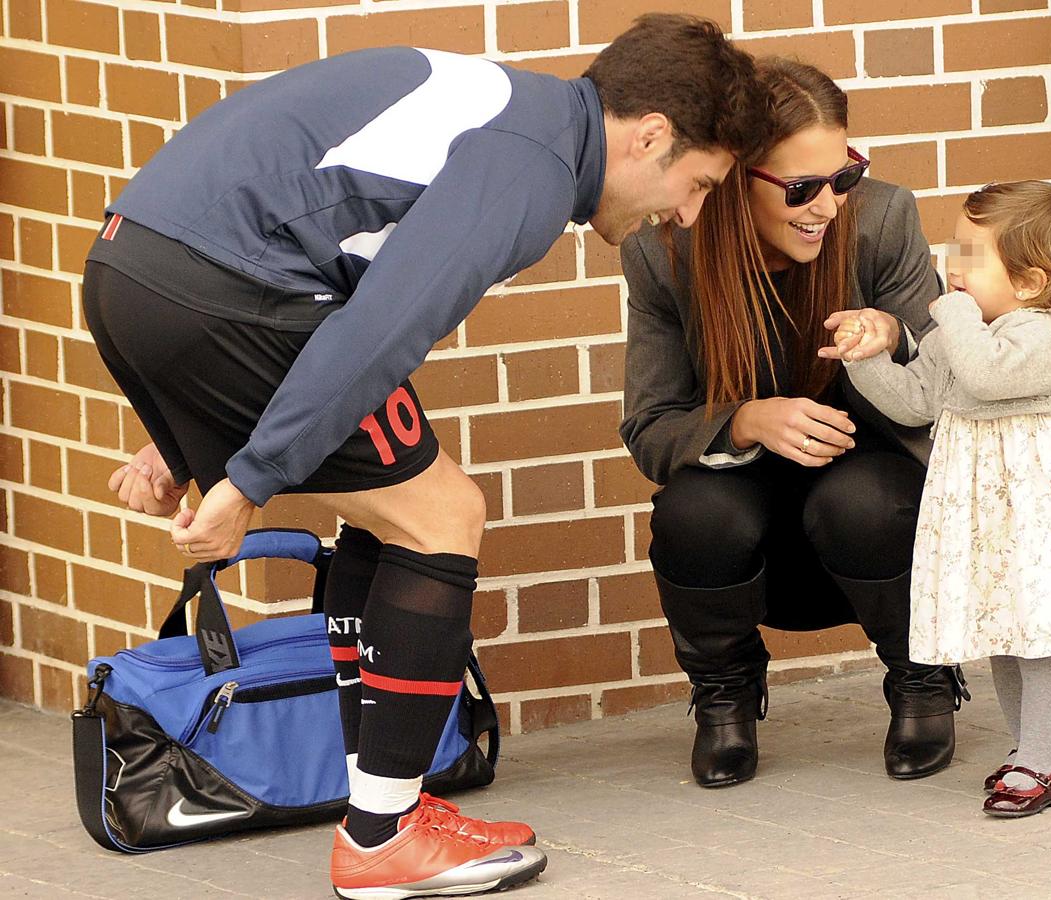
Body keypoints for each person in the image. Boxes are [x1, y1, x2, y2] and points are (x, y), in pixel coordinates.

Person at [87, 15, 772, 898]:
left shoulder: (516, 113)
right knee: (442, 512)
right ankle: (382, 837)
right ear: (649, 136)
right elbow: (383, 327)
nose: (684, 213)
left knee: (381, 506)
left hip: (131, 267)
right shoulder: (527, 163)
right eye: (697, 183)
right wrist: (249, 477)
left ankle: (377, 800)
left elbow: (335, 277)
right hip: (229, 292)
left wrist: (189, 430)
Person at [619, 58, 968, 790]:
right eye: (801, 189)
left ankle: (922, 676)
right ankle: (724, 701)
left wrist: (893, 339)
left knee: (860, 499)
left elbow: (941, 395)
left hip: (869, 488)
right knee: (691, 512)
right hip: (744, 499)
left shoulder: (882, 219)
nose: (828, 207)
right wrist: (744, 420)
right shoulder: (663, 255)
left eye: (841, 177)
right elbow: (650, 428)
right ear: (732, 177)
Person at [840, 180, 1051, 817]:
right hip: (988, 515)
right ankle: (1029, 750)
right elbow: (916, 401)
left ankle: (1040, 762)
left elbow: (984, 376)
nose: (951, 267)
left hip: (1037, 510)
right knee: (1005, 633)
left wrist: (948, 313)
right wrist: (866, 358)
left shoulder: (1035, 335)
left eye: (970, 255)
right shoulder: (962, 333)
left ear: (1032, 284)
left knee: (1039, 633)